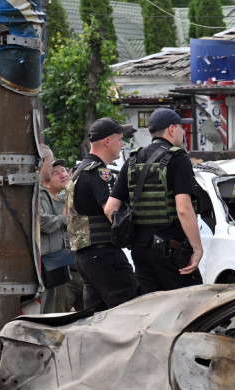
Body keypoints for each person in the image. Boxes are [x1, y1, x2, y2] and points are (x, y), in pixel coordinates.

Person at [104, 107, 203, 296]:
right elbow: (183, 209)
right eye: (182, 128)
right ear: (171, 129)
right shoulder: (179, 158)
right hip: (170, 250)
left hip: (140, 251)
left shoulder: (133, 160)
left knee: (151, 308)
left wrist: (134, 235)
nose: (184, 133)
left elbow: (110, 209)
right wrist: (197, 249)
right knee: (190, 304)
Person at [67, 118, 139, 310]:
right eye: (120, 139)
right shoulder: (99, 173)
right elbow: (112, 213)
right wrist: (135, 238)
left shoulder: (79, 170)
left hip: (86, 256)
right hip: (103, 255)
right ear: (107, 141)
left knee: (96, 315)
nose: (122, 144)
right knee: (129, 307)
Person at [38, 149, 83, 313]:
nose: (63, 174)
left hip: (78, 270)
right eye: (55, 171)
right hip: (58, 267)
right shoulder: (42, 196)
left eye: (63, 170)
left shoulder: (70, 198)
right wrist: (64, 218)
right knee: (54, 316)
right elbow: (42, 222)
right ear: (47, 183)